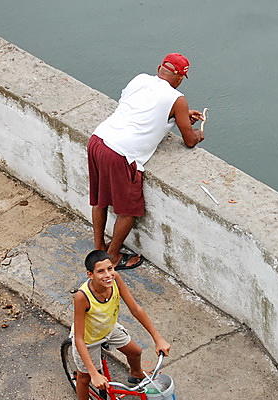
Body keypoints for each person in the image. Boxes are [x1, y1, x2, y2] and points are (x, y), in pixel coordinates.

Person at [88, 52, 205, 271]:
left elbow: (141, 109)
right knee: (129, 210)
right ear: (180, 78)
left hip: (99, 139)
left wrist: (178, 116)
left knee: (101, 200)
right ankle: (111, 256)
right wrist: (196, 133)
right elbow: (189, 140)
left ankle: (98, 249)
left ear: (160, 68)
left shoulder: (140, 79)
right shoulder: (177, 99)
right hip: (121, 153)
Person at [71, 249, 171, 400]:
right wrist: (93, 372)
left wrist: (157, 338)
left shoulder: (115, 279)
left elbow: (135, 308)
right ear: (89, 274)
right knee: (83, 378)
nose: (108, 275)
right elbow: (79, 339)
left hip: (108, 328)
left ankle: (135, 375)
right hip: (88, 339)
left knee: (135, 351)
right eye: (101, 271)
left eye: (110, 268)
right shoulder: (82, 297)